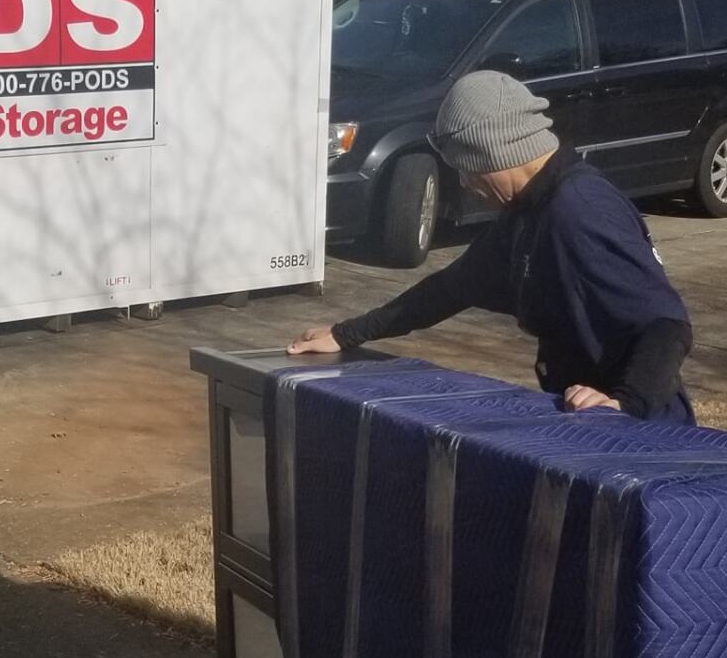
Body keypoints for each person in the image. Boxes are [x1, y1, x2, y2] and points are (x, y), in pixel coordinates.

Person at [290, 69, 695, 423]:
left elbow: (665, 324)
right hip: (586, 427)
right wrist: (347, 334)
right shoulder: (528, 212)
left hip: (641, 439)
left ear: (495, 150)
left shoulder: (578, 211)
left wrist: (624, 408)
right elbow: (449, 289)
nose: (466, 185)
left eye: (467, 169)